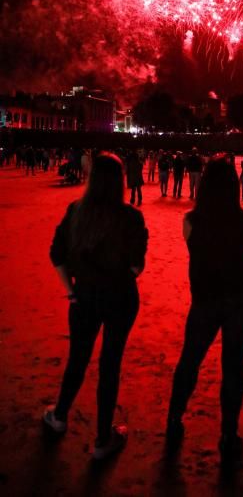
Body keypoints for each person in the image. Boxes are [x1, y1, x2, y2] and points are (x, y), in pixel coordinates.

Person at [43, 153, 148, 460]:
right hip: (120, 297)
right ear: (121, 181)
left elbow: (57, 255)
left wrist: (72, 292)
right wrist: (118, 278)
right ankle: (103, 440)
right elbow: (137, 264)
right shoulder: (130, 216)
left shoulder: (76, 211)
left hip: (85, 297)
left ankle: (60, 416)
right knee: (110, 364)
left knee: (78, 358)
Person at [166, 156, 243, 459]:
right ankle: (228, 434)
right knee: (233, 368)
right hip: (240, 302)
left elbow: (194, 246)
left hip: (205, 300)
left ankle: (174, 419)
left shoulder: (191, 221)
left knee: (190, 361)